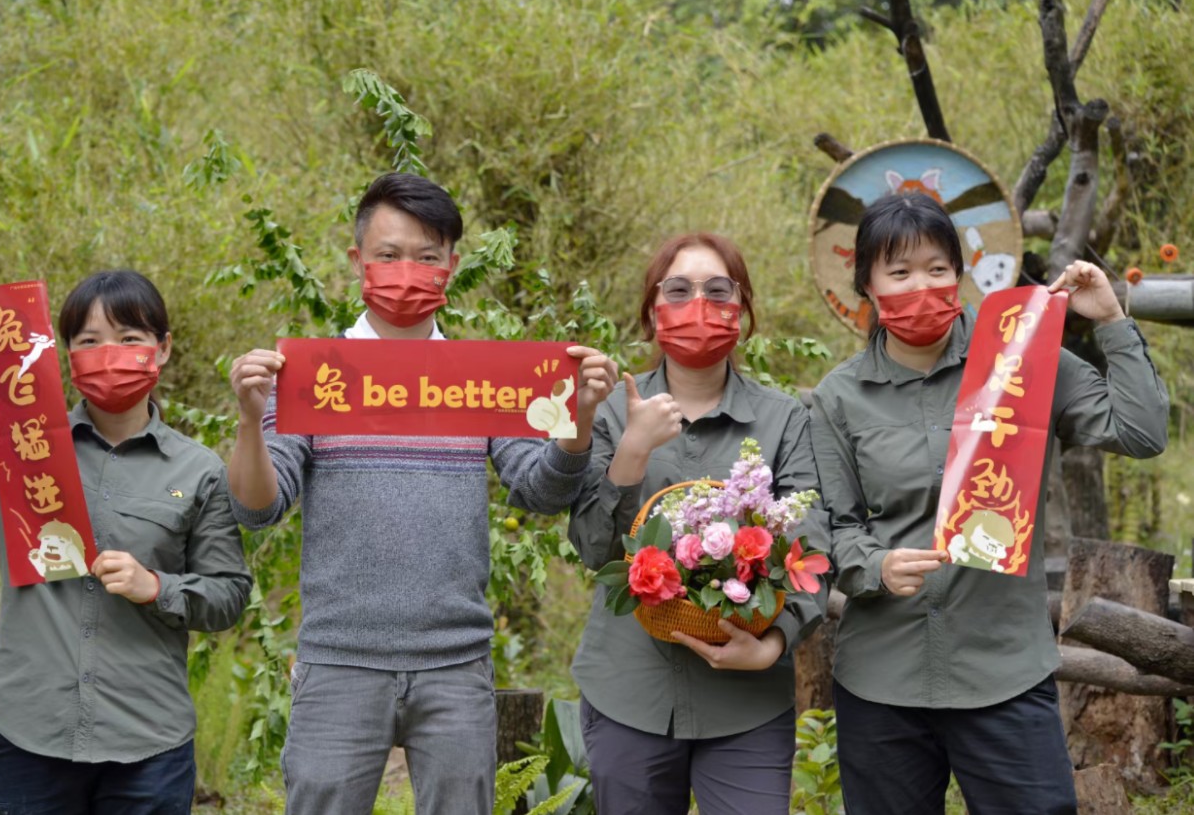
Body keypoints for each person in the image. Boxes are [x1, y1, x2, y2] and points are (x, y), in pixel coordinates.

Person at [225, 172, 618, 815]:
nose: (406, 271)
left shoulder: (483, 380)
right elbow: (258, 507)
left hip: (455, 665)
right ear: (357, 262)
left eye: (427, 257)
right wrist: (248, 418)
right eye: (388, 255)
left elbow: (540, 492)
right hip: (338, 663)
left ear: (452, 267)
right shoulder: (311, 375)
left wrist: (578, 422)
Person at [809, 193, 1169, 814]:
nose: (921, 285)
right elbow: (830, 526)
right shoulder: (838, 397)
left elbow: (1140, 433)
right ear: (866, 286)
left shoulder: (1021, 363)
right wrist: (873, 565)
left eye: (937, 268)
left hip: (1003, 671)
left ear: (960, 274)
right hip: (883, 678)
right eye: (899, 272)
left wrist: (1110, 319)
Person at [0, 270, 253, 814]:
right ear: (67, 354)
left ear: (163, 349)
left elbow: (228, 597)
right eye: (90, 342)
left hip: (148, 743)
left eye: (130, 339)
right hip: (29, 734)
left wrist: (157, 586)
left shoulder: (198, 470)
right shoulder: (14, 444)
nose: (111, 355)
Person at [567, 232, 829, 814]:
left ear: (743, 309)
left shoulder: (785, 420)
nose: (699, 306)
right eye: (679, 290)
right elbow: (591, 549)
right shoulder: (610, 412)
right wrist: (631, 454)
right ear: (652, 311)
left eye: (718, 290)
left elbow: (813, 550)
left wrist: (776, 641)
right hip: (629, 689)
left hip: (748, 701)